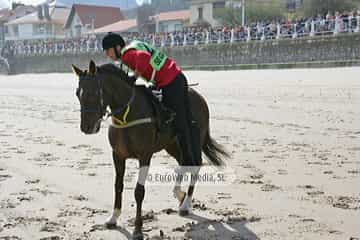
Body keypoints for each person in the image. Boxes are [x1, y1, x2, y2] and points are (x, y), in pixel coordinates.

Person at [102, 32, 200, 166]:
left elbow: (144, 57)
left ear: (117, 47)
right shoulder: (131, 48)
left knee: (179, 121)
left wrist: (135, 76)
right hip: (170, 78)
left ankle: (189, 159)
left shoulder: (127, 54)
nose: (107, 54)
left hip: (171, 81)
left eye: (108, 50)